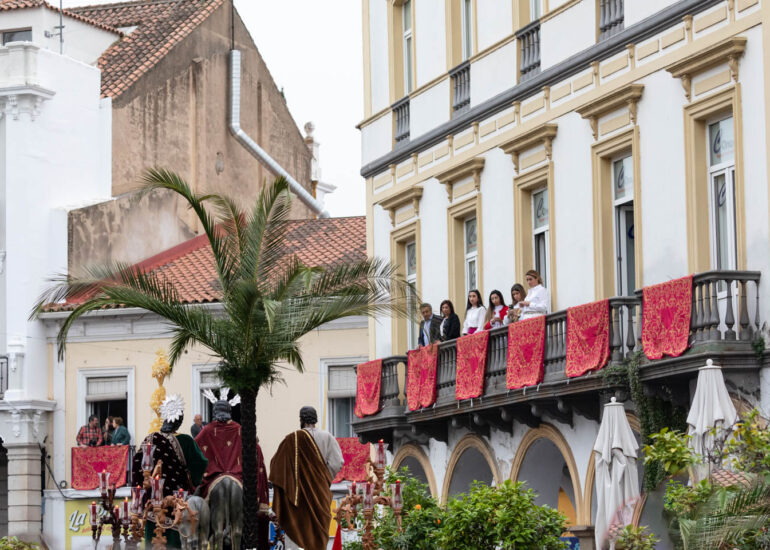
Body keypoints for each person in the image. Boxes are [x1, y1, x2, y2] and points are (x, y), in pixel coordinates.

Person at [196, 389, 270, 549]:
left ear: (215, 412)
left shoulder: (207, 430)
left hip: (213, 481)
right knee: (238, 530)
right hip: (239, 479)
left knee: (196, 504)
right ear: (229, 412)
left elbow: (196, 452)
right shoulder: (240, 429)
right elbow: (256, 452)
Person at [132, 394, 208, 548]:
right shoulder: (186, 441)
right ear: (179, 421)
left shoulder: (150, 439)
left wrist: (138, 498)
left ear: (165, 418)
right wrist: (194, 480)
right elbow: (200, 465)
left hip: (152, 505)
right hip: (177, 507)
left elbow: (136, 465)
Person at [270, 406, 343, 550]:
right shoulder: (327, 437)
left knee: (297, 533)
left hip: (297, 497)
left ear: (301, 419)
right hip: (320, 496)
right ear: (315, 419)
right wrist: (323, 479)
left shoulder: (292, 439)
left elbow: (275, 465)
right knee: (319, 537)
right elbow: (337, 462)